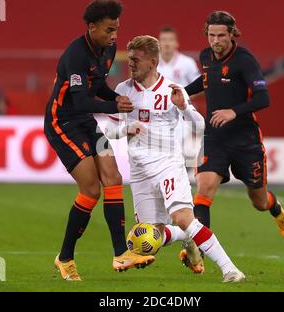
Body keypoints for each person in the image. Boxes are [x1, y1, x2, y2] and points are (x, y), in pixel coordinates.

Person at [104, 35, 245, 282]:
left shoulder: (171, 90)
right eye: (130, 61)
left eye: (136, 60)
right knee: (151, 237)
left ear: (152, 61)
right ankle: (187, 237)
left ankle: (230, 269)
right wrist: (126, 128)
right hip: (139, 171)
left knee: (183, 217)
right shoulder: (123, 90)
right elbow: (109, 130)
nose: (132, 65)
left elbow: (200, 124)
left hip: (167, 163)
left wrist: (183, 107)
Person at [43, 0, 155, 281]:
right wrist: (114, 107)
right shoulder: (75, 55)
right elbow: (80, 101)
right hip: (63, 123)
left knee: (113, 177)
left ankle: (120, 254)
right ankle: (65, 258)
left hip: (86, 123)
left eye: (116, 29)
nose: (114, 35)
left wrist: (113, 97)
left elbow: (97, 88)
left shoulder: (108, 49)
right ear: (92, 28)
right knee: (91, 189)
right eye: (108, 30)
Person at [184, 11, 284, 249]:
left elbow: (264, 98)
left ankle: (275, 208)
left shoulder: (245, 60)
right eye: (211, 35)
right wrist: (181, 92)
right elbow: (204, 80)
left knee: (258, 201)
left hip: (245, 140)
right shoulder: (206, 56)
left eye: (221, 35)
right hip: (214, 137)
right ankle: (199, 252)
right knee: (204, 190)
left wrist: (233, 111)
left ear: (232, 34)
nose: (215, 41)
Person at [158, 27, 202, 170]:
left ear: (176, 43)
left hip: (181, 112)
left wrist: (184, 100)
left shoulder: (186, 63)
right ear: (158, 43)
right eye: (164, 40)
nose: (167, 44)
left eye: (170, 40)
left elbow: (199, 86)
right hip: (158, 113)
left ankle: (179, 175)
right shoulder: (152, 63)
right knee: (160, 151)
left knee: (175, 148)